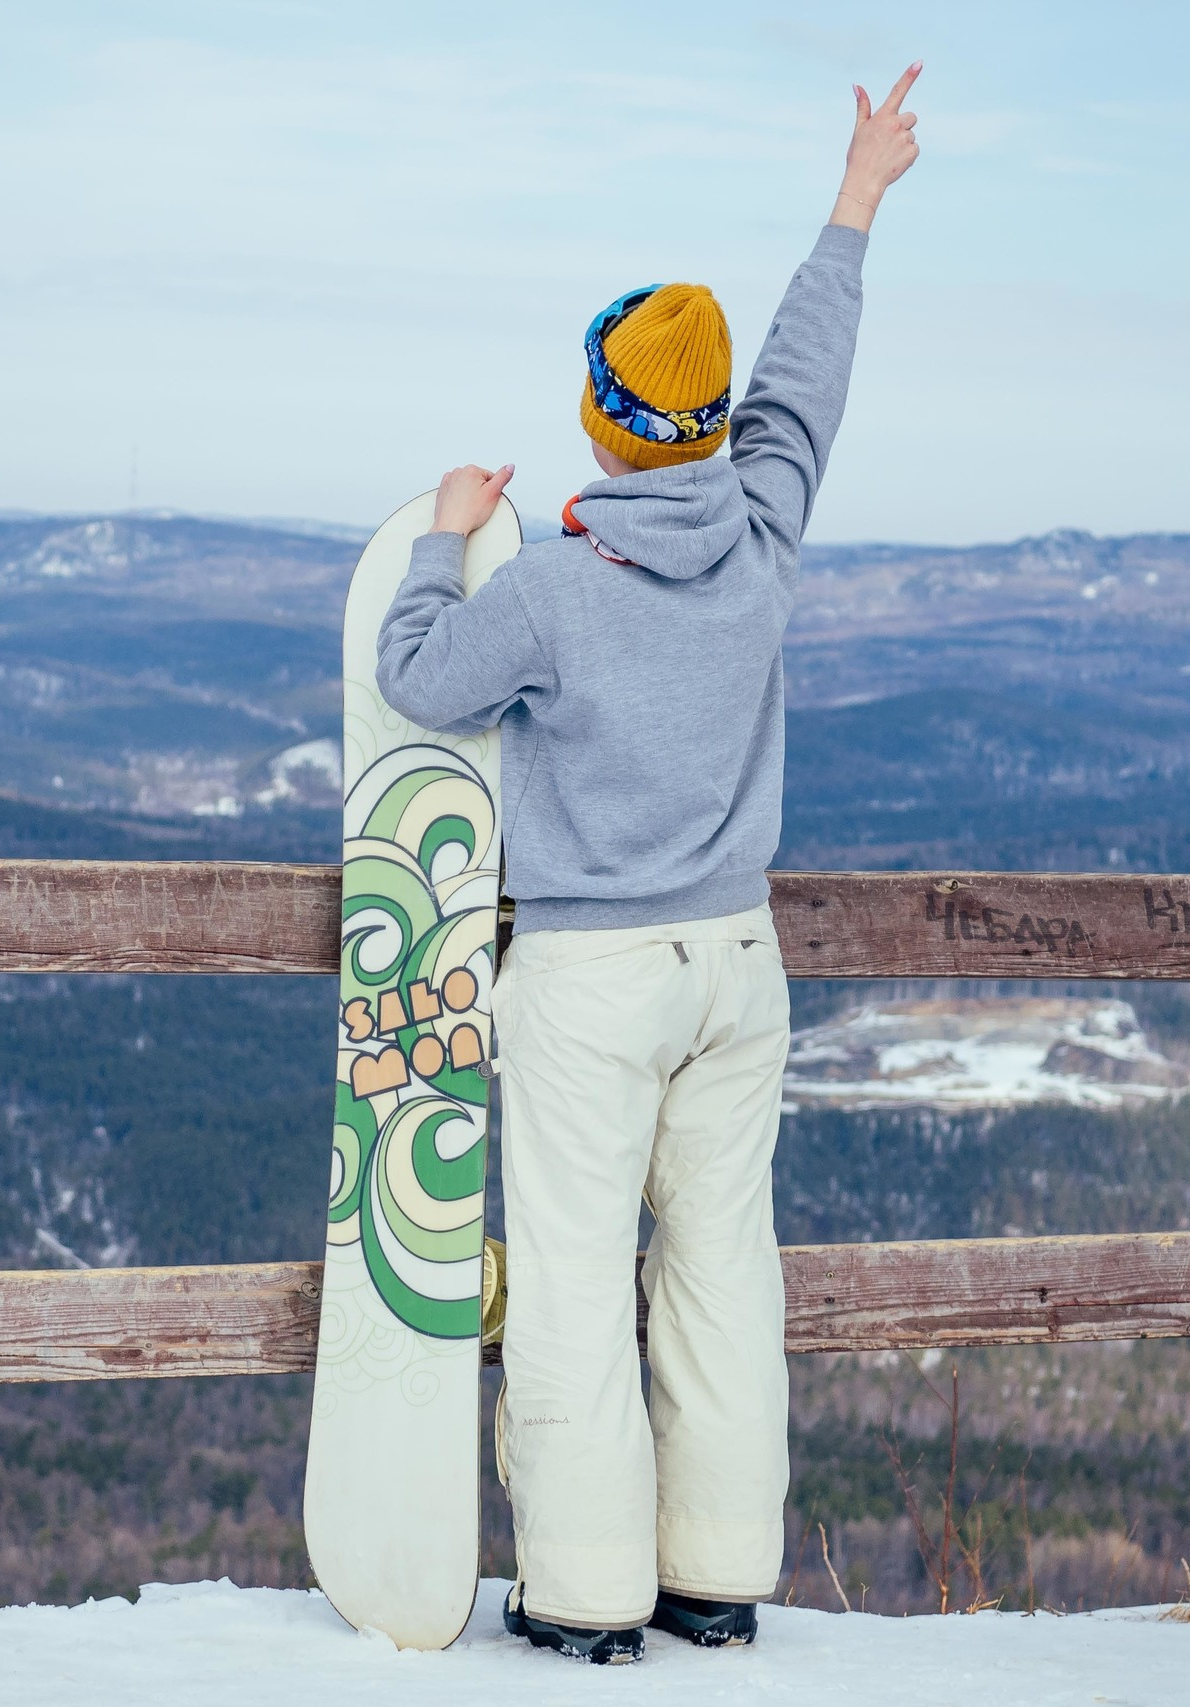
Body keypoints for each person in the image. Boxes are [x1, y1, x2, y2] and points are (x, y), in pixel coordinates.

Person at [374, 67, 924, 1663]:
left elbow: (418, 676)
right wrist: (856, 199)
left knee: (565, 1284)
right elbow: (803, 385)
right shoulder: (761, 530)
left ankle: (592, 1594)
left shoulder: (552, 583)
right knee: (719, 1284)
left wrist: (442, 535)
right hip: (738, 972)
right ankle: (716, 1579)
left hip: (595, 980)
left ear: (603, 420)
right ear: (714, 421)